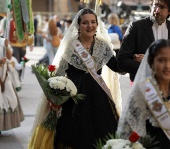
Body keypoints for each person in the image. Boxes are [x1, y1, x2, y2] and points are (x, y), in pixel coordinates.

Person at [28, 8, 122, 149]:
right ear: (79, 25)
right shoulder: (71, 46)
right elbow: (58, 73)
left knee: (101, 134)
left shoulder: (103, 46)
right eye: (85, 22)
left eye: (93, 22)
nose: (90, 26)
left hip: (98, 98)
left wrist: (131, 58)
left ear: (97, 24)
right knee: (73, 136)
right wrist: (55, 95)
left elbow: (117, 67)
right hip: (74, 99)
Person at [117, 39, 170, 149]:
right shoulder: (143, 90)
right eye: (161, 60)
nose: (167, 66)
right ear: (151, 63)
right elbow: (129, 128)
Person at [117, 0, 170, 83]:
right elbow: (122, 61)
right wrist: (148, 68)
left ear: (169, 11)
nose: (157, 10)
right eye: (155, 5)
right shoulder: (136, 27)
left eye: (162, 7)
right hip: (141, 86)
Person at [0, 37, 24, 133]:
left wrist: (6, 46)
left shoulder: (2, 41)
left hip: (3, 77)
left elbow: (9, 57)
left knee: (10, 100)